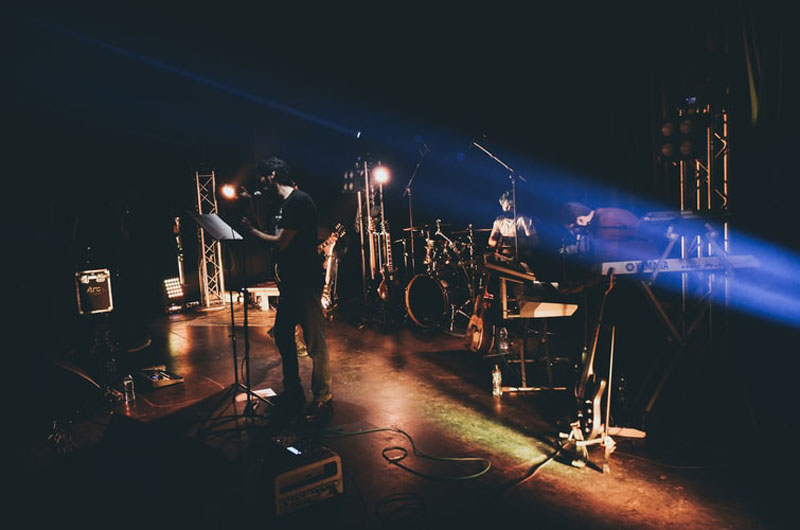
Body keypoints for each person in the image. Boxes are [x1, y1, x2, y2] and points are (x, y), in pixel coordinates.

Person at [241, 156, 332, 423]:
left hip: (305, 281)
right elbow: (269, 237)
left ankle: (323, 398)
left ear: (271, 175)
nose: (259, 183)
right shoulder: (279, 205)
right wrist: (252, 213)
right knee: (282, 334)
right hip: (291, 282)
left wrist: (250, 230)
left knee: (315, 342)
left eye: (261, 178)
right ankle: (293, 391)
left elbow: (280, 243)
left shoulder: (299, 201)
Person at [559, 201, 654, 263]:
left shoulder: (603, 222)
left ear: (580, 220)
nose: (576, 234)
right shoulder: (603, 214)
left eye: (574, 230)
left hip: (643, 261)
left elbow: (608, 259)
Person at [487, 190, 539, 270]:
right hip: (503, 257)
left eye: (511, 207)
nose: (509, 209)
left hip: (521, 258)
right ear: (502, 207)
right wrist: (501, 243)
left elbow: (535, 240)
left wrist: (518, 243)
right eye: (506, 207)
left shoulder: (522, 220)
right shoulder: (499, 220)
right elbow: (491, 240)